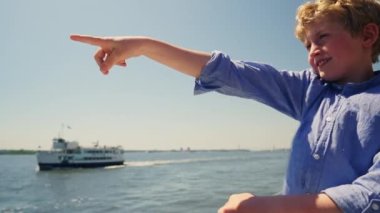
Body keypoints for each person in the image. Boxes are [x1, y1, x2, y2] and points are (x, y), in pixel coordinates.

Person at [70, 0, 380, 212]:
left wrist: (268, 207)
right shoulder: (308, 90)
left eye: (322, 37)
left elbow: (371, 194)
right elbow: (233, 73)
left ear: (368, 35)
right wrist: (144, 46)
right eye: (307, 45)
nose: (313, 51)